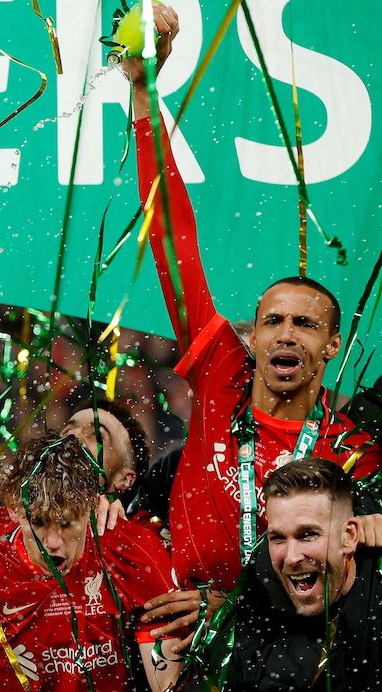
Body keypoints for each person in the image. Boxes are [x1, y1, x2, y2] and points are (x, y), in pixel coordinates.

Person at [122, 3, 381, 638]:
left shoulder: (350, 450)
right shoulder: (220, 373)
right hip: (179, 649)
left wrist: (237, 606)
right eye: (273, 321)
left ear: (332, 347)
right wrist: (142, 94)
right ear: (253, 335)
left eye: (306, 325)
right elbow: (170, 239)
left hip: (288, 659)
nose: (286, 334)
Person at [0, 432, 180, 692]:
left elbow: (167, 685)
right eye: (39, 522)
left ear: (91, 507)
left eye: (66, 523)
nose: (52, 542)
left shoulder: (134, 549)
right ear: (14, 509)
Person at [181, 457, 382, 691]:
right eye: (277, 538)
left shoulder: (374, 595)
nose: (291, 557)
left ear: (348, 536)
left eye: (307, 535)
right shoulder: (258, 595)